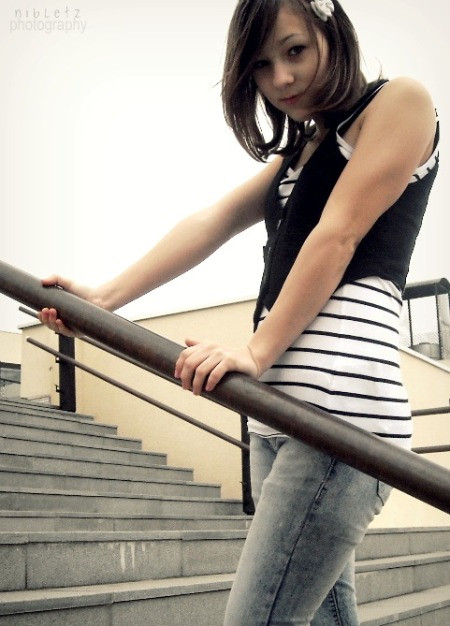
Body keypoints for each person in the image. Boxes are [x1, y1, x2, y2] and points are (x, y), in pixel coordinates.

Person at [39, 0, 439, 623]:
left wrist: (255, 350)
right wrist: (103, 298)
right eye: (260, 65)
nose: (281, 78)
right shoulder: (301, 151)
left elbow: (338, 235)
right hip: (279, 418)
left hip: (339, 420)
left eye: (294, 50)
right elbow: (213, 221)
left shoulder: (399, 102)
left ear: (331, 29)